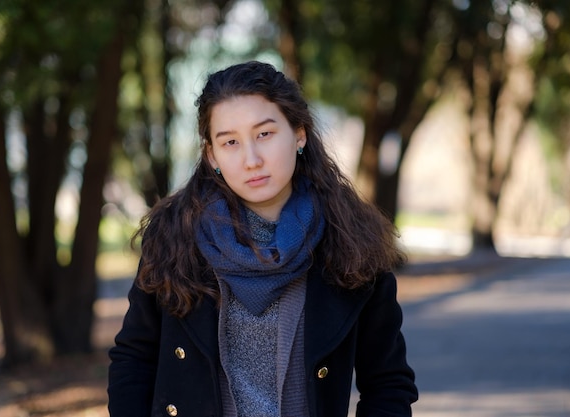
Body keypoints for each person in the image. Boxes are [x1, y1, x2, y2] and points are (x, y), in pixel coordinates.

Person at [107, 61, 417, 417]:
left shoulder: (352, 241)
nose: (251, 159)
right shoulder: (174, 237)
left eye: (265, 134)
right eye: (231, 142)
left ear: (299, 134)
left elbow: (389, 383)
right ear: (212, 156)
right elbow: (133, 360)